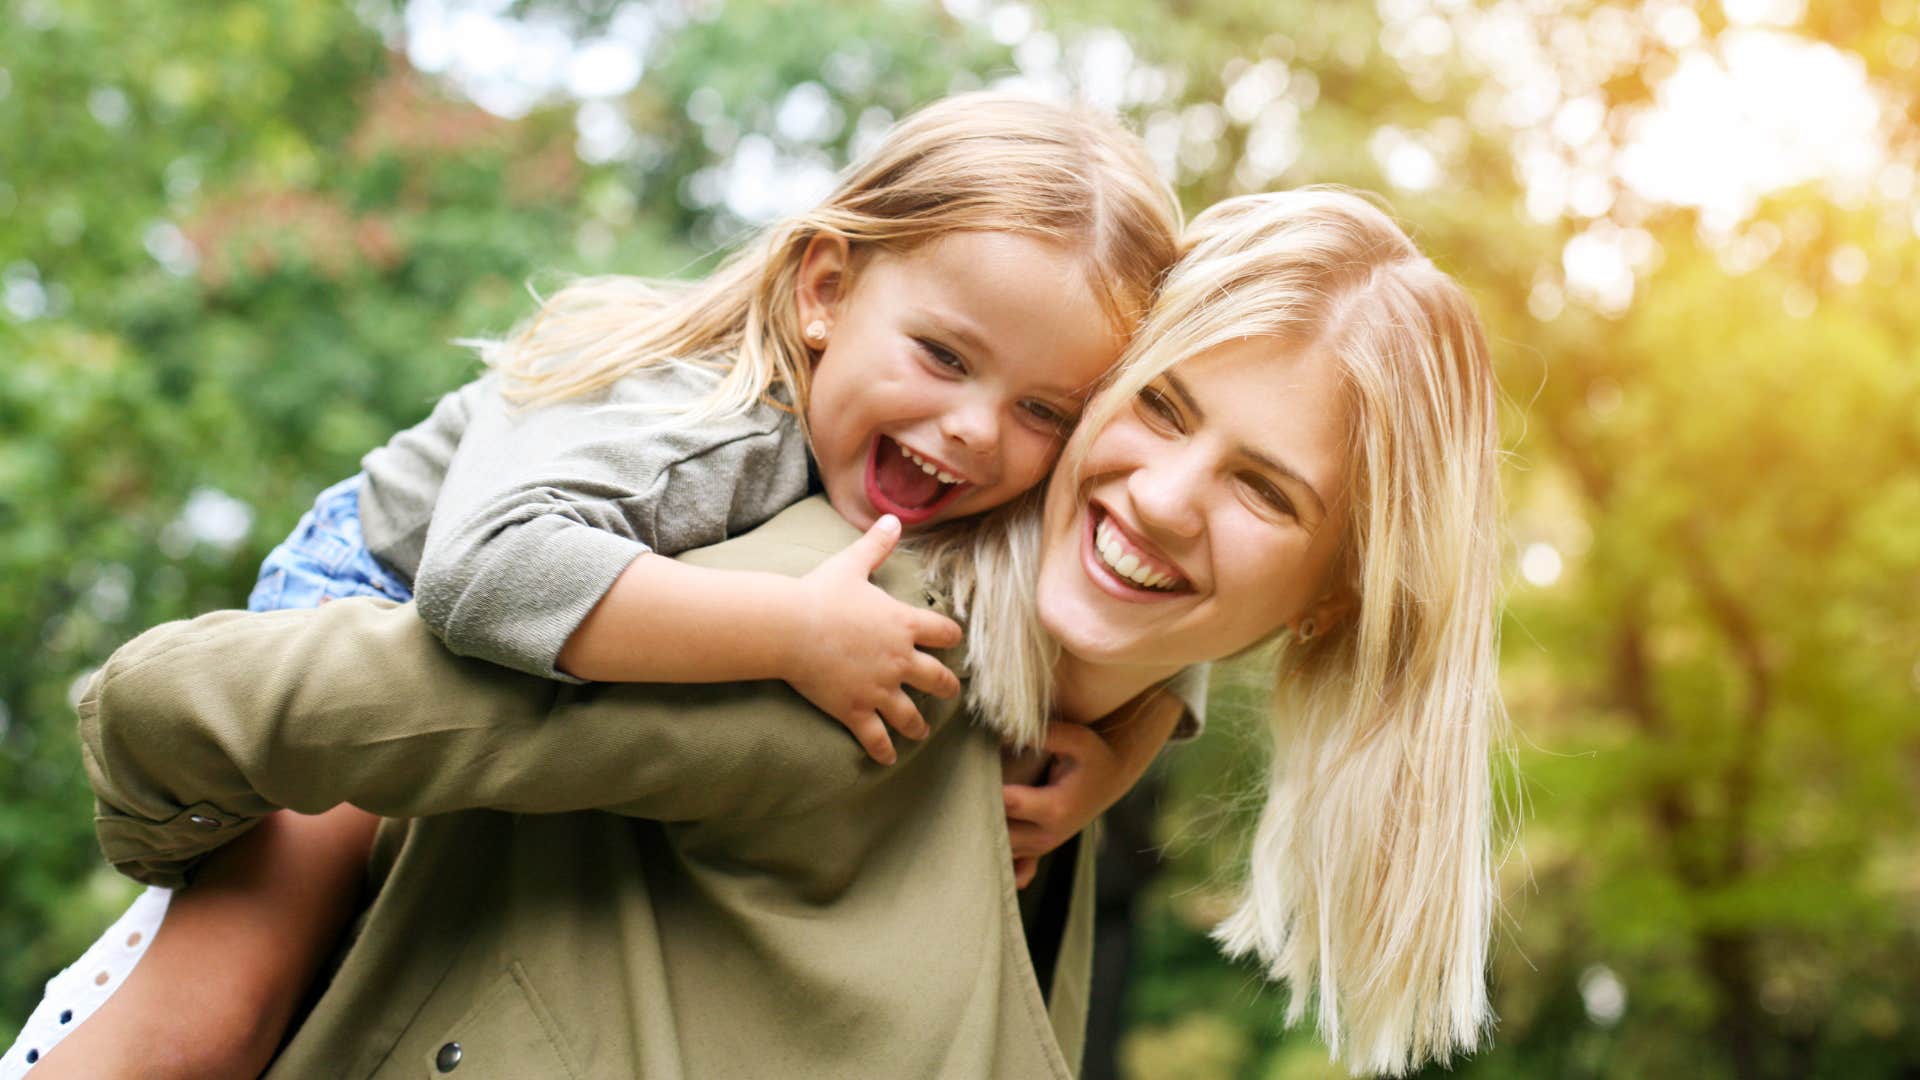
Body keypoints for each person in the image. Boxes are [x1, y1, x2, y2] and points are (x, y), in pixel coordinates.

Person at [38, 188, 1507, 1078]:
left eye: (1263, 489)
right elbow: (182, 696)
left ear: (1331, 598)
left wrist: (1128, 739)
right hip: (399, 566)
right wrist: (243, 843)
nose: (1167, 497)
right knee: (197, 1026)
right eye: (1165, 409)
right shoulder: (843, 642)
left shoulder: (1058, 752)